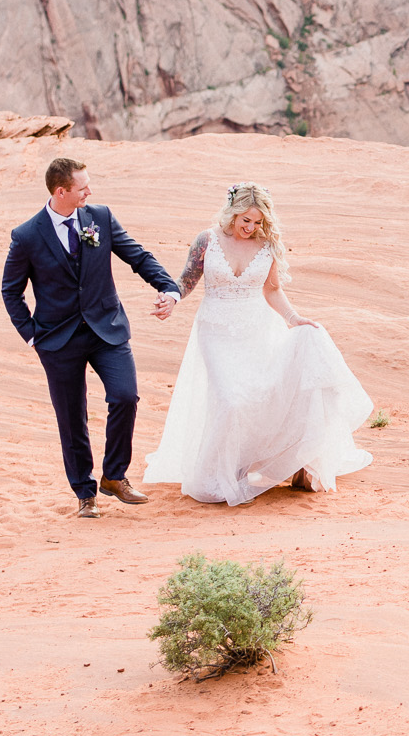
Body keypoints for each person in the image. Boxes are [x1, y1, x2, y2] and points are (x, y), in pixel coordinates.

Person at [143, 182, 374, 506]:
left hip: (256, 329)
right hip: (216, 330)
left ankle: (282, 461)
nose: (250, 227)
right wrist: (171, 298)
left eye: (257, 222)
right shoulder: (207, 240)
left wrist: (294, 319)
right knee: (229, 399)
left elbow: (272, 290)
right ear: (232, 214)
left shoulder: (267, 245)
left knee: (261, 394)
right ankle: (220, 475)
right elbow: (186, 280)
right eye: (245, 220)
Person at [2, 157, 181, 517]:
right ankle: (85, 494)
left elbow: (137, 256)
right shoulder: (26, 236)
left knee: (125, 396)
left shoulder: (100, 217)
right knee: (72, 418)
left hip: (107, 329)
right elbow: (11, 291)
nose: (90, 191)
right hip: (57, 340)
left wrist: (168, 288)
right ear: (61, 191)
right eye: (83, 187)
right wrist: (32, 336)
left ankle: (114, 477)